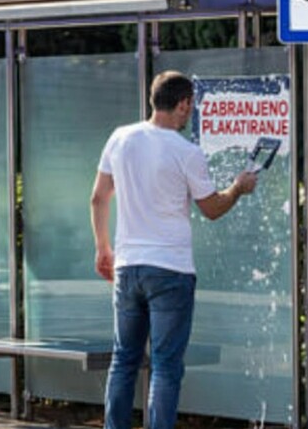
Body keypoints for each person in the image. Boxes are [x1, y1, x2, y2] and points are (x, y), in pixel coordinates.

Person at [90, 70, 258, 429]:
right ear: (182, 104)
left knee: (124, 359)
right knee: (166, 366)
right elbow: (211, 209)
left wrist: (103, 248)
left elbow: (98, 197)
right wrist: (238, 188)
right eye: (189, 107)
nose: (190, 113)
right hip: (170, 269)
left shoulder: (120, 138)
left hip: (128, 266)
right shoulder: (186, 152)